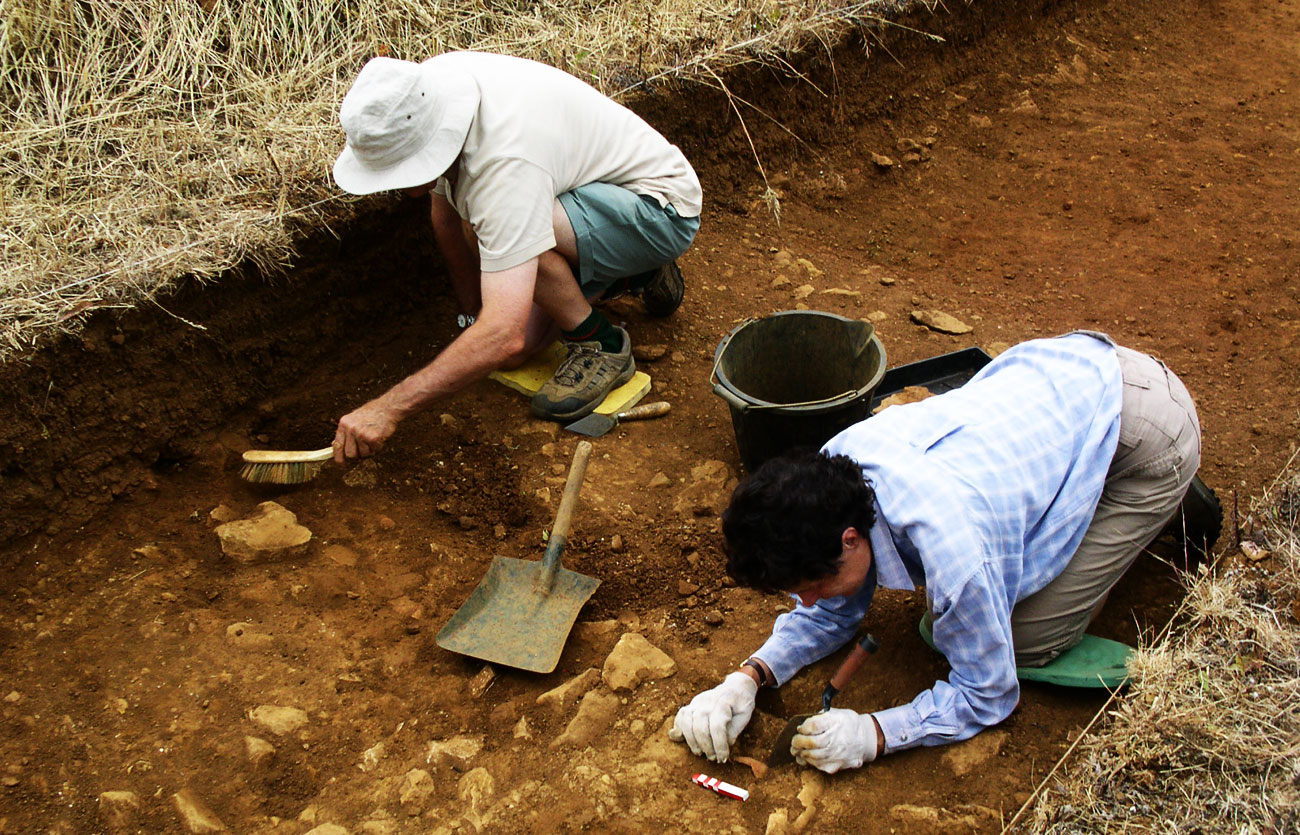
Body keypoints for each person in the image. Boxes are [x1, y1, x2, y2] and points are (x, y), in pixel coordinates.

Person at [668, 331, 1201, 773]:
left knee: (1020, 640)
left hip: (1148, 432)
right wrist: (747, 676)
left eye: (812, 586)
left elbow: (989, 692)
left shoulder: (957, 554)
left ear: (850, 540)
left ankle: (1153, 494)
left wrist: (876, 733)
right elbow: (831, 612)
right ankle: (1097, 479)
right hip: (1062, 377)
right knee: (949, 619)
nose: (805, 602)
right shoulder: (832, 472)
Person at [329, 52, 701, 460]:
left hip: (659, 208)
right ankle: (632, 272)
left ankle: (602, 343)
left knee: (506, 249)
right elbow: (445, 219)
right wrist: (473, 317)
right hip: (592, 190)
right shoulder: (427, 94)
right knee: (515, 336)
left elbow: (504, 336)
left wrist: (388, 409)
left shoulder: (501, 166)